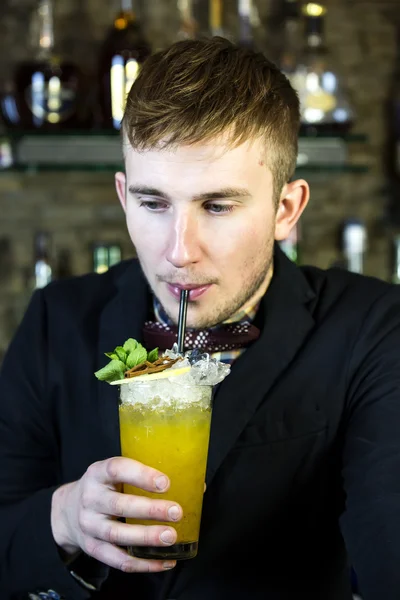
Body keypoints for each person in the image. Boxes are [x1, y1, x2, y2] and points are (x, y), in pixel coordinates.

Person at [0, 36, 399, 600]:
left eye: (217, 206)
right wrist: (63, 518)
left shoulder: (370, 328)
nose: (179, 251)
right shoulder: (56, 319)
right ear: (122, 196)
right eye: (153, 203)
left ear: (286, 209)